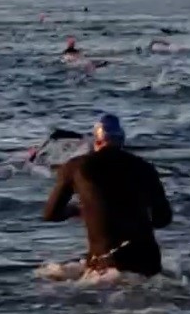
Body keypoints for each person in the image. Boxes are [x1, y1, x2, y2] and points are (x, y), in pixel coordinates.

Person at [42, 114, 173, 277]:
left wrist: (79, 210)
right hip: (147, 260)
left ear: (96, 142)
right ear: (122, 141)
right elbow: (163, 219)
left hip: (106, 264)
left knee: (52, 280)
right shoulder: (145, 168)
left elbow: (50, 214)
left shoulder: (75, 167)